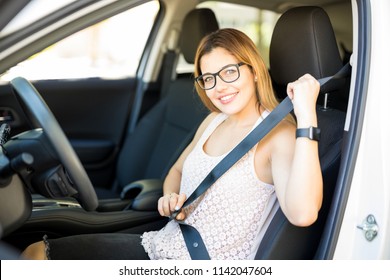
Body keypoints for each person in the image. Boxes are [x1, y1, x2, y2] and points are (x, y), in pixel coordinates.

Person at [22, 28, 322, 260]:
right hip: (162, 245)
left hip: (199, 263)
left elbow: (303, 213)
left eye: (230, 72)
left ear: (254, 71)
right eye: (208, 78)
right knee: (35, 252)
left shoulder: (277, 136)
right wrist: (170, 199)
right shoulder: (213, 121)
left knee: (37, 256)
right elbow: (176, 172)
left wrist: (307, 115)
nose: (219, 87)